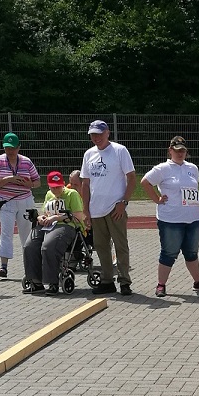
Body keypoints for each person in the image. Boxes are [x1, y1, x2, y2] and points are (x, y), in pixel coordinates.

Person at [140, 136, 199, 298]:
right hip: (171, 219)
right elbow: (145, 182)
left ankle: (198, 282)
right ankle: (161, 285)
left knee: (191, 252)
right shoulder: (162, 168)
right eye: (176, 150)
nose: (180, 153)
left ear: (186, 152)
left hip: (192, 218)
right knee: (169, 252)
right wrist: (157, 199)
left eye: (182, 150)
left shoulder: (192, 168)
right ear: (170, 151)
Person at [81, 119, 136, 295]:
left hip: (115, 207)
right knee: (101, 246)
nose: (96, 137)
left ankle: (124, 281)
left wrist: (124, 202)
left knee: (121, 245)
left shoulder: (120, 151)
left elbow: (132, 178)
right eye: (93, 135)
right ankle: (107, 280)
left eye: (99, 134)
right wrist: (85, 209)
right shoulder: (89, 154)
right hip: (96, 208)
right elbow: (85, 183)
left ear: (107, 133)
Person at [23, 170, 85, 294]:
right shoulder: (48, 195)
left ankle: (53, 282)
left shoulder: (72, 194)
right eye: (53, 187)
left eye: (58, 187)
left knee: (48, 246)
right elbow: (45, 212)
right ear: (49, 186)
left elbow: (79, 216)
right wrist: (41, 217)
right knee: (30, 245)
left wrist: (57, 217)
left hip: (67, 225)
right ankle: (35, 281)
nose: (56, 190)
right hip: (49, 225)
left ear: (63, 184)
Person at [0, 132, 40, 279]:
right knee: (6, 233)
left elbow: (37, 182)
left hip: (24, 199)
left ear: (19, 147)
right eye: (7, 148)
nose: (10, 151)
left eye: (12, 148)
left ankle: (30, 267)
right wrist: (9, 179)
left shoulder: (26, 161)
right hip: (6, 201)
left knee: (26, 234)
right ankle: (3, 266)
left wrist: (28, 183)